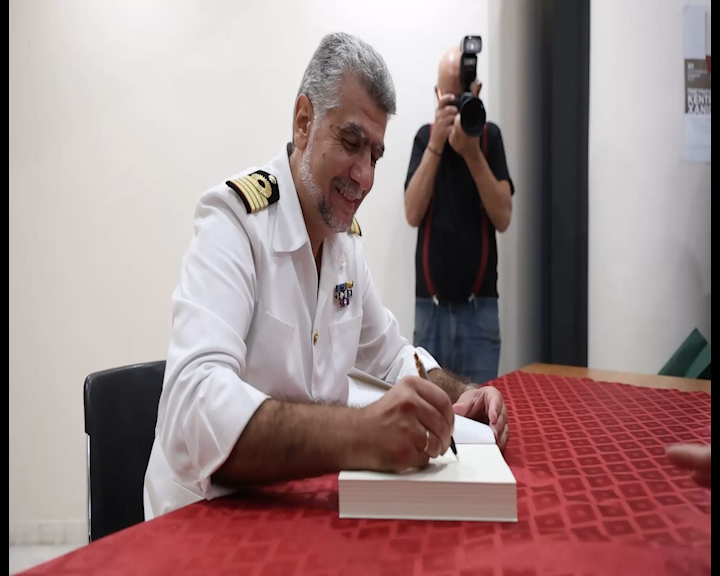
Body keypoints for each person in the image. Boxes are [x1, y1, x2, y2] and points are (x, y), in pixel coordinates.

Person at [143, 32, 510, 519]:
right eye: (351, 143)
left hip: (293, 511)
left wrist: (462, 395)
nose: (365, 177)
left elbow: (393, 356)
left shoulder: (344, 244)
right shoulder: (233, 222)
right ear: (304, 122)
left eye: (375, 155)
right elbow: (192, 412)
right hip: (201, 520)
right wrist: (363, 433)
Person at [404, 45, 514, 385]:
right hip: (431, 309)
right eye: (450, 99)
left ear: (477, 91)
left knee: (480, 408)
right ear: (437, 95)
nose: (457, 107)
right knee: (427, 410)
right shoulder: (425, 138)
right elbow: (412, 212)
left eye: (464, 96)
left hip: (480, 310)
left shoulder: (489, 138)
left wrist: (472, 153)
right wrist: (437, 144)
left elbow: (503, 217)